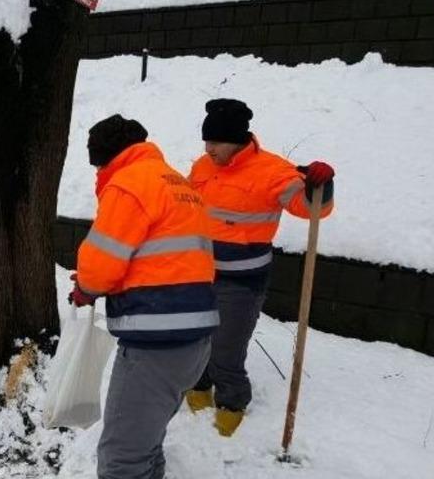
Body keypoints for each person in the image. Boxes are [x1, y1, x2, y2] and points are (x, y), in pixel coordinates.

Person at [70, 114, 218, 479]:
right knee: (146, 444)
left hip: (157, 346)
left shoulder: (129, 184)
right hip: (193, 342)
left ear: (106, 158)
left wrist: (87, 289)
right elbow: (165, 258)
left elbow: (101, 264)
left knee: (122, 458)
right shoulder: (176, 183)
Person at [185, 98, 335, 436]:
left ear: (237, 141)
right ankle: (198, 384)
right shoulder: (201, 166)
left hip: (242, 280)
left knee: (226, 345)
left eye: (216, 142)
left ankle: (232, 400)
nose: (209, 149)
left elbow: (311, 208)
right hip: (199, 272)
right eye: (206, 141)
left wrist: (320, 185)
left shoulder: (273, 171)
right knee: (195, 335)